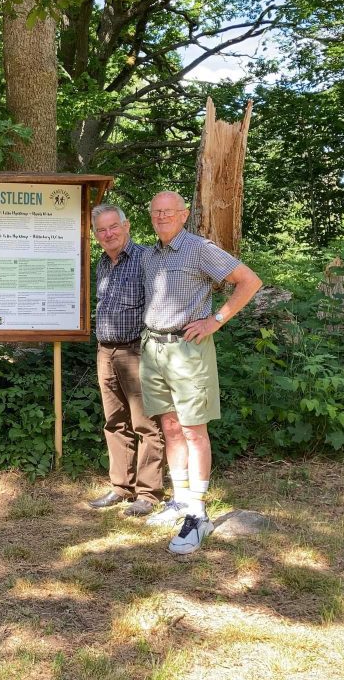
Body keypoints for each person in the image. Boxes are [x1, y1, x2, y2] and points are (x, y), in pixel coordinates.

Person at [140, 191, 262, 554]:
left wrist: (216, 320)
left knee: (194, 430)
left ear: (184, 214)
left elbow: (249, 281)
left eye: (168, 212)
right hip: (154, 347)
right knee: (171, 427)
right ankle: (179, 500)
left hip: (188, 350)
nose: (162, 217)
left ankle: (198, 512)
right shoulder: (151, 255)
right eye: (156, 212)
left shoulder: (199, 248)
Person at [88, 204, 164, 517]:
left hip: (136, 350)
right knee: (114, 423)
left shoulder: (146, 258)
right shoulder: (102, 263)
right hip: (105, 351)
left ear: (126, 225)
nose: (108, 234)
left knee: (146, 424)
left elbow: (159, 304)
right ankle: (121, 487)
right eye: (101, 230)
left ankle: (147, 493)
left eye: (112, 227)